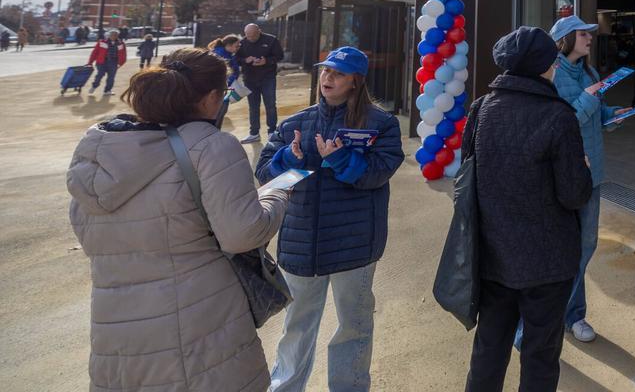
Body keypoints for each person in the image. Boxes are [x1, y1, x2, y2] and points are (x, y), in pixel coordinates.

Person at [66, 47, 291, 392]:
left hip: (118, 336)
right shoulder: (212, 148)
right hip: (200, 334)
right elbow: (242, 234)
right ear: (211, 98)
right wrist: (277, 195)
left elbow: (91, 237)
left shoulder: (98, 155)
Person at [256, 45, 404, 392]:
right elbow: (266, 175)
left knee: (353, 327)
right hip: (300, 245)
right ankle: (285, 387)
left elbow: (377, 175)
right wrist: (287, 162)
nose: (328, 77)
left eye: (337, 73)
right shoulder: (296, 123)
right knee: (297, 326)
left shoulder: (381, 124)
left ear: (355, 81)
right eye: (325, 70)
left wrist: (340, 161)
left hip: (354, 246)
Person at [464, 26, 593, 392]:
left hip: (492, 257)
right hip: (548, 263)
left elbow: (468, 172)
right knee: (540, 355)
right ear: (544, 66)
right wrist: (582, 168)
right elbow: (573, 195)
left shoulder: (481, 108)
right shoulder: (558, 115)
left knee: (488, 349)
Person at [533, 14, 633, 345]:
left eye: (590, 33)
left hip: (593, 173)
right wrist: (590, 99)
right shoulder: (554, 73)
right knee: (563, 246)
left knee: (585, 244)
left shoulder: (589, 72)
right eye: (583, 34)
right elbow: (563, 122)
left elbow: (595, 115)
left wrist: (614, 116)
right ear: (566, 38)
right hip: (565, 173)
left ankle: (570, 313)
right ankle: (564, 313)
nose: (591, 38)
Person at [236, 23, 284, 143]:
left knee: (270, 105)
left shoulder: (271, 40)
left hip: (268, 77)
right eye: (248, 36)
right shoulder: (241, 43)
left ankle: (272, 131)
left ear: (259, 31)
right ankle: (254, 133)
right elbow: (236, 59)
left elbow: (279, 56)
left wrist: (266, 61)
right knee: (253, 107)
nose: (251, 38)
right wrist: (245, 60)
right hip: (250, 79)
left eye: (253, 35)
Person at [87, 30, 127, 95]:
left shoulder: (121, 43)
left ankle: (107, 90)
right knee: (100, 75)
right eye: (112, 35)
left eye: (115, 35)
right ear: (109, 35)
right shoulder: (102, 42)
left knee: (111, 77)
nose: (113, 36)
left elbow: (124, 54)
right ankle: (94, 86)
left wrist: (121, 63)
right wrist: (90, 62)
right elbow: (94, 53)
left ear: (117, 36)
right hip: (102, 62)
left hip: (114, 62)